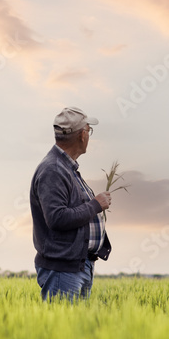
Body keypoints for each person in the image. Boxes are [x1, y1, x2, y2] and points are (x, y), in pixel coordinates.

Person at [30, 106, 112, 301]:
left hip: (76, 267)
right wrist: (95, 205)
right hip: (63, 270)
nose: (89, 136)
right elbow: (57, 218)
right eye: (89, 130)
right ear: (82, 135)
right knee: (62, 329)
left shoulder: (65, 168)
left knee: (73, 330)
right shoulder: (53, 170)